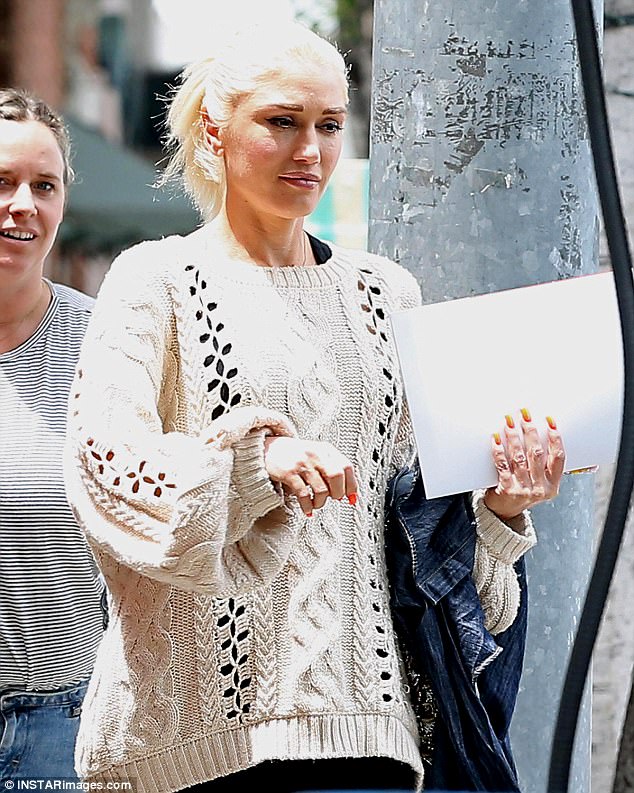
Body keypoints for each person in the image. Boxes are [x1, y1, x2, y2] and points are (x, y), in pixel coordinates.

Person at [64, 20, 565, 793]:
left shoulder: (386, 294)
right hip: (190, 746)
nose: (310, 150)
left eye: (329, 125)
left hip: (370, 735)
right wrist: (251, 464)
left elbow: (416, 530)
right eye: (282, 121)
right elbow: (105, 468)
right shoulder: (154, 280)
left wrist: (499, 508)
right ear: (214, 130)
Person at [0, 88, 106, 780]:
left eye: (44, 185)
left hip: (60, 728)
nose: (23, 204)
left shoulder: (107, 343)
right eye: (3, 181)